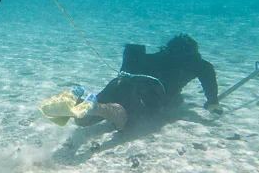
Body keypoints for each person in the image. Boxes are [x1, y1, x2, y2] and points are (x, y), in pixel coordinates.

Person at [39, 34, 222, 130]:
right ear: (193, 52)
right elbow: (207, 74)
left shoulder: (156, 57)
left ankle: (76, 102)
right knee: (123, 118)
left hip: (121, 81)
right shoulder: (196, 63)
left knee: (83, 120)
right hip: (147, 92)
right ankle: (95, 108)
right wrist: (212, 102)